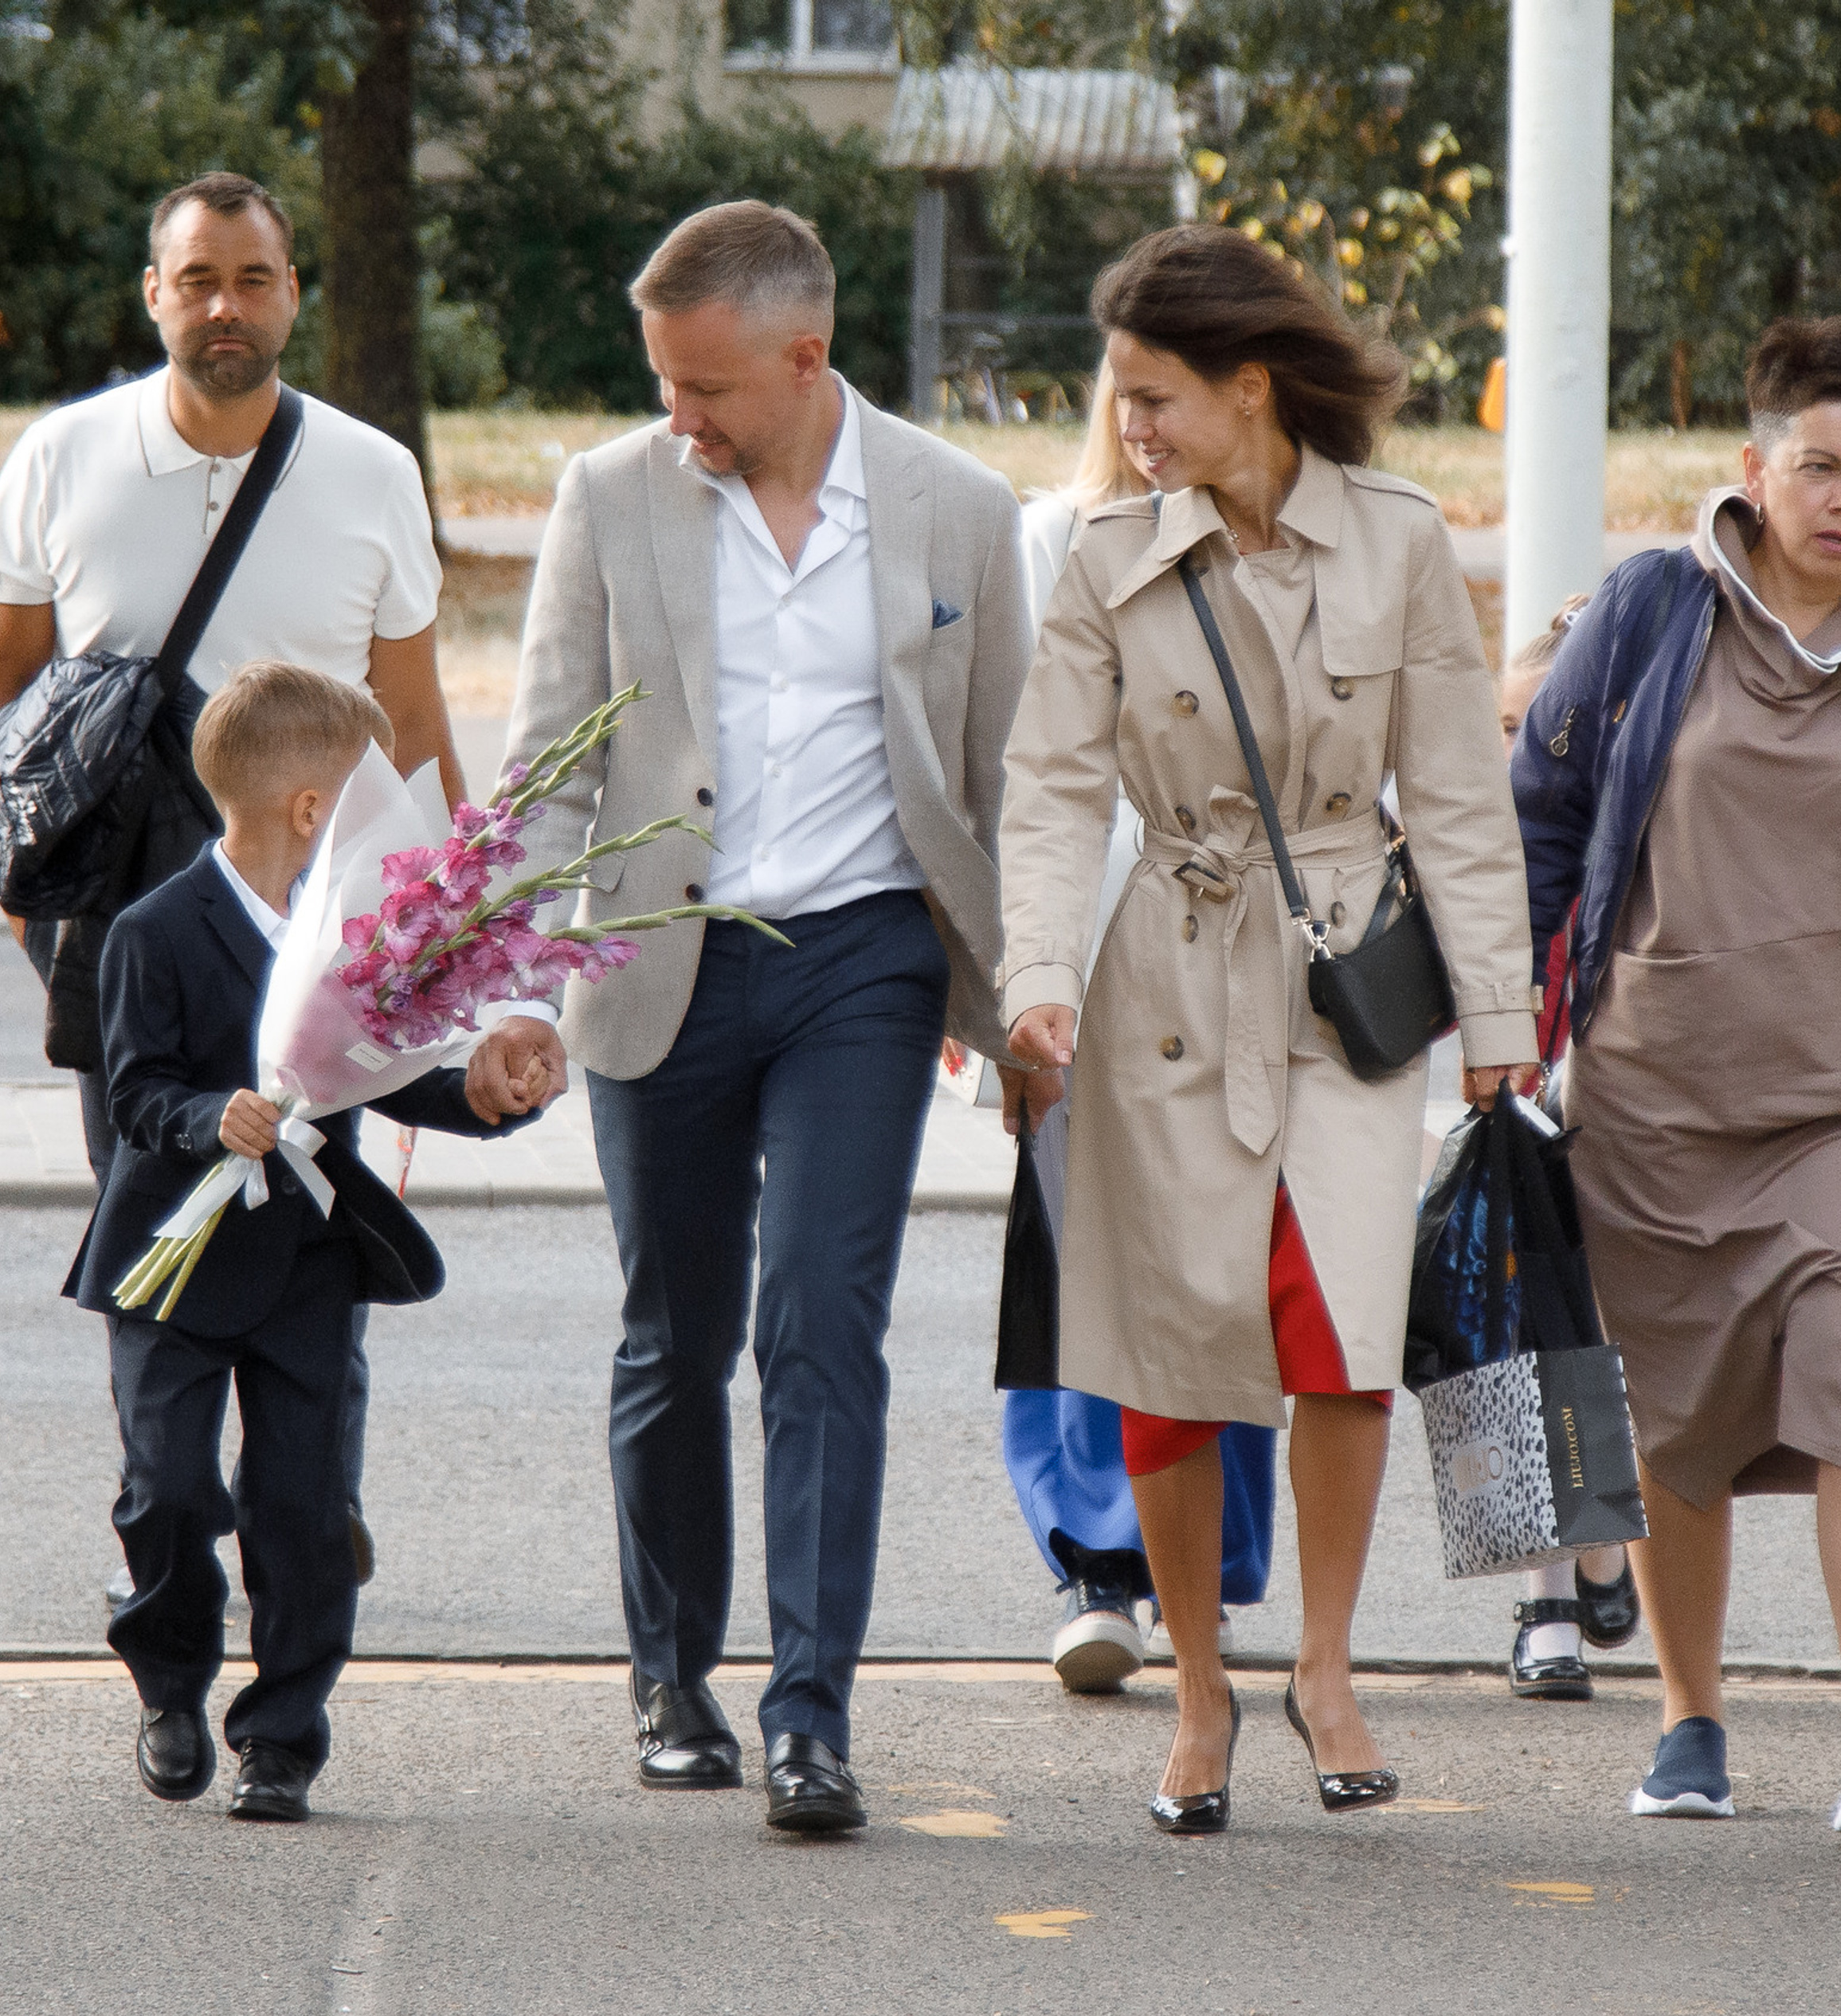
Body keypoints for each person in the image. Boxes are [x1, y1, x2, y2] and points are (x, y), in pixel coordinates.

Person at [472, 202, 1034, 1834]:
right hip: (658, 958)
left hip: (861, 963)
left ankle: (810, 1709)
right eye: (660, 378)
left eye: (705, 384)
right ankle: (670, 1675)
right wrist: (513, 977)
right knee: (676, 1328)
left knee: (818, 1324)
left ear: (805, 357)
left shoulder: (956, 509)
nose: (677, 412)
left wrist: (1017, 1004)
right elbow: (548, 764)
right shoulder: (609, 495)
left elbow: (1008, 778)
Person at [1000, 224, 1539, 1835]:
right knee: (1172, 1357)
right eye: (1124, 397)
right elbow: (1043, 786)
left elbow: (1455, 798)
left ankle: (1321, 1662)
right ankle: (1197, 1684)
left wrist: (1498, 1016)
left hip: (1345, 980)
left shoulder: (1396, 539)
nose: (1133, 425)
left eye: (1157, 396)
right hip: (1162, 977)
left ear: (1249, 386)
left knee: (1339, 1339)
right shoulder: (1104, 550)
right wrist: (1036, 971)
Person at [0, 170, 462, 1604]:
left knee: (315, 1223)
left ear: (293, 293)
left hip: (320, 927)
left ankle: (312, 1497)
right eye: (198, 280)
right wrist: (23, 900)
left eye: (252, 279)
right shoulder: (60, 458)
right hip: (128, 930)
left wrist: (447, 923)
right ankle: (170, 1517)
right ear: (154, 295)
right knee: (152, 1231)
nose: (225, 307)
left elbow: (414, 718)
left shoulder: (370, 470)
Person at [1514, 316, 1841, 1836]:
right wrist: (1510, 1022)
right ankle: (1691, 1721)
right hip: (1657, 1098)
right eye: (1818, 464)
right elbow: (1540, 820)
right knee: (1675, 1420)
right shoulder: (1650, 611)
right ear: (1752, 468)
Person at [63, 664, 543, 1820]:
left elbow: (388, 1066)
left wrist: (484, 1093)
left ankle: (283, 1735)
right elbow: (134, 1091)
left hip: (304, 1258)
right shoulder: (154, 930)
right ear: (312, 811)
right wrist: (205, 1116)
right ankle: (170, 1682)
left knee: (303, 1505)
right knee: (170, 1491)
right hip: (166, 1258)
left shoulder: (366, 935)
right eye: (373, 794)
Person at [1004, 362, 1277, 1694]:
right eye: (1130, 387)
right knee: (1086, 1259)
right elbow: (1023, 764)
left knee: (1225, 1272)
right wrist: (1006, 971)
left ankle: (1203, 1575)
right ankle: (1095, 1564)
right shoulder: (1054, 539)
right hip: (1096, 953)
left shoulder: (1297, 536)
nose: (1145, 418)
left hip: (1247, 954)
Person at [1494, 600, 1641, 1702]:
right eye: (1498, 727)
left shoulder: (1634, 856)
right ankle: (1545, 1596)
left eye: (1528, 731)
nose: (1510, 755)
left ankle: (1596, 1541)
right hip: (1515, 1120)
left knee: (1601, 1353)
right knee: (1525, 1345)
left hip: (1630, 1107)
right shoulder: (1488, 851)